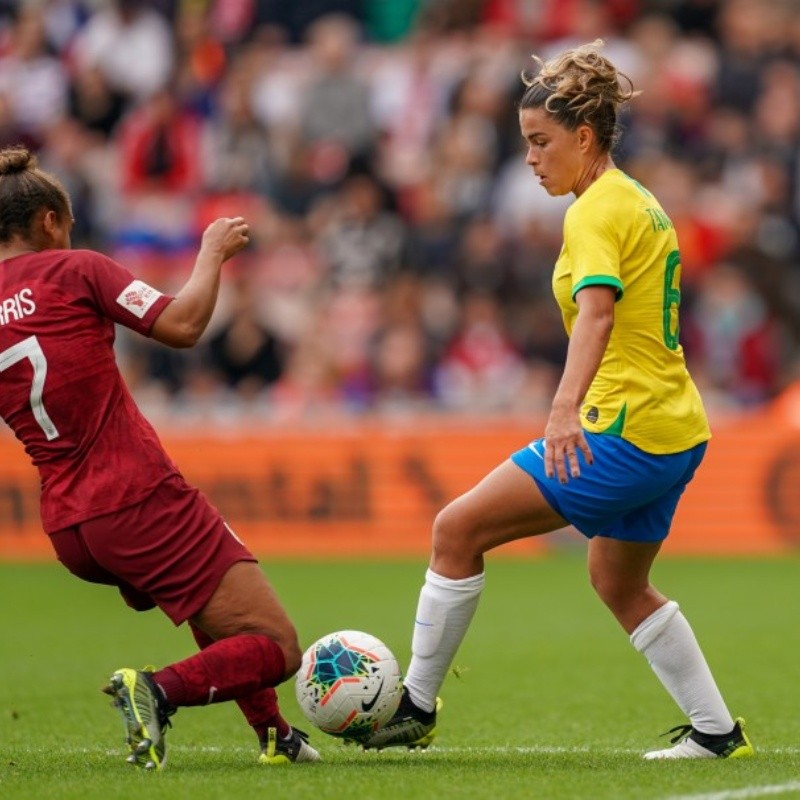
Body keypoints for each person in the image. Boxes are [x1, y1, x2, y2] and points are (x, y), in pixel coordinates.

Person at [353, 41, 754, 760]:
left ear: (584, 138)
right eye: (525, 144)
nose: (531, 159)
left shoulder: (595, 211)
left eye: (541, 143)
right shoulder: (636, 198)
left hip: (623, 429)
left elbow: (598, 313)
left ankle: (413, 706)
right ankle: (717, 733)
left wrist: (564, 408)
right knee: (617, 580)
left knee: (455, 530)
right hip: (674, 427)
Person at [0, 147, 319, 770]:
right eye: (66, 224)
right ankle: (155, 690)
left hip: (68, 524)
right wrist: (212, 252)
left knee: (211, 597)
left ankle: (275, 734)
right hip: (134, 492)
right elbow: (183, 324)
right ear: (47, 222)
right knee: (276, 644)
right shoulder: (75, 268)